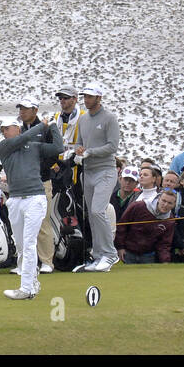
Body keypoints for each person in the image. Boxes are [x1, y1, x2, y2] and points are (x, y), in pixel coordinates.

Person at [0, 117, 62, 299]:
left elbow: (58, 148)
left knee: (29, 242)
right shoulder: (4, 147)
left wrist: (54, 126)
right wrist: (43, 125)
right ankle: (32, 282)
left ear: (17, 129)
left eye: (7, 129)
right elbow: (22, 140)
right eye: (2, 130)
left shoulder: (34, 146)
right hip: (15, 200)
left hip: (35, 198)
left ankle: (26, 288)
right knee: (20, 245)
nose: (4, 133)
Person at [73, 82, 120, 272]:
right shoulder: (83, 120)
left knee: (98, 211)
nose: (86, 100)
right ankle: (99, 255)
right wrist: (79, 150)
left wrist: (89, 152)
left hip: (106, 171)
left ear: (99, 98)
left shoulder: (109, 118)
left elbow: (112, 146)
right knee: (92, 215)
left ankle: (110, 254)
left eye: (90, 97)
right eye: (85, 97)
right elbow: (79, 143)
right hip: (88, 172)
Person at [115, 189, 176, 264]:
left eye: (169, 203)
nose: (165, 205)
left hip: (148, 256)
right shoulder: (138, 206)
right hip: (127, 252)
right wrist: (120, 247)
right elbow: (122, 227)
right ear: (158, 198)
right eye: (164, 201)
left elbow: (164, 244)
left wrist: (165, 261)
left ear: (174, 205)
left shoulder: (170, 220)